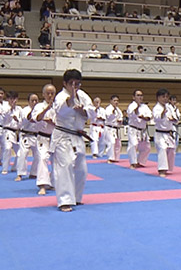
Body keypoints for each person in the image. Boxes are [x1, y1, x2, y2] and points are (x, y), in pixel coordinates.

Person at [51, 69, 94, 212]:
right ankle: (64, 201)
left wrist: (83, 111)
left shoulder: (83, 95)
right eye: (72, 83)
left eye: (78, 84)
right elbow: (61, 110)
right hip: (62, 136)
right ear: (65, 83)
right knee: (65, 166)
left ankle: (76, 197)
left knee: (81, 169)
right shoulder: (60, 96)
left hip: (77, 136)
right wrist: (71, 99)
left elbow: (92, 111)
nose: (75, 87)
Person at [32, 84, 56, 196]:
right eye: (48, 93)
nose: (50, 95)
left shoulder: (58, 106)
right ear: (43, 94)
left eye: (52, 93)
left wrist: (52, 122)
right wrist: (47, 108)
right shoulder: (39, 106)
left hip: (56, 137)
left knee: (58, 161)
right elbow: (37, 118)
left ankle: (53, 182)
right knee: (42, 159)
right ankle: (42, 185)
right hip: (43, 137)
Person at [14, 93, 40, 181]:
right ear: (28, 101)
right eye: (32, 100)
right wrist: (33, 110)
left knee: (38, 155)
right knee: (23, 154)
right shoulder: (25, 110)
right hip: (25, 135)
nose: (34, 102)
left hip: (36, 135)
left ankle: (34, 173)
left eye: (36, 100)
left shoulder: (40, 110)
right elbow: (28, 118)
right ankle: (20, 174)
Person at [152, 88, 177, 178]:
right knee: (162, 149)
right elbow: (156, 118)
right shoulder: (156, 108)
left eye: (167, 97)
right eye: (163, 97)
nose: (165, 98)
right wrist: (163, 112)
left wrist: (173, 119)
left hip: (169, 133)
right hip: (160, 133)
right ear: (158, 98)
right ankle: (161, 169)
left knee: (171, 150)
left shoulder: (169, 107)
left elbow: (175, 118)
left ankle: (168, 168)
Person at [126, 90, 152, 168]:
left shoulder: (145, 107)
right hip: (133, 129)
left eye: (141, 95)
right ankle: (133, 162)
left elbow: (149, 117)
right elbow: (132, 114)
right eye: (138, 95)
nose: (140, 97)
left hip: (143, 130)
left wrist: (143, 117)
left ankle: (140, 161)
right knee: (133, 145)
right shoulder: (131, 106)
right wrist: (137, 107)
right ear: (133, 97)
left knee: (147, 147)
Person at [0, 90, 21, 174]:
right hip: (7, 131)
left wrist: (17, 120)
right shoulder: (4, 108)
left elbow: (21, 122)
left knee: (19, 151)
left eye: (14, 98)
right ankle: (5, 168)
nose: (12, 100)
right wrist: (11, 108)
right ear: (7, 99)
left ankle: (14, 167)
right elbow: (4, 118)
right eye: (11, 98)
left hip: (15, 132)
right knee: (7, 148)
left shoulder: (19, 109)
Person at [104, 94, 123, 163]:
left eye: (117, 101)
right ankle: (110, 158)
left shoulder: (118, 110)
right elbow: (108, 117)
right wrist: (113, 112)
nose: (116, 102)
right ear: (111, 101)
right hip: (109, 128)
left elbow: (121, 117)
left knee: (118, 144)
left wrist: (120, 120)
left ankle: (116, 158)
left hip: (116, 129)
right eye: (114, 100)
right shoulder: (108, 109)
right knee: (111, 143)